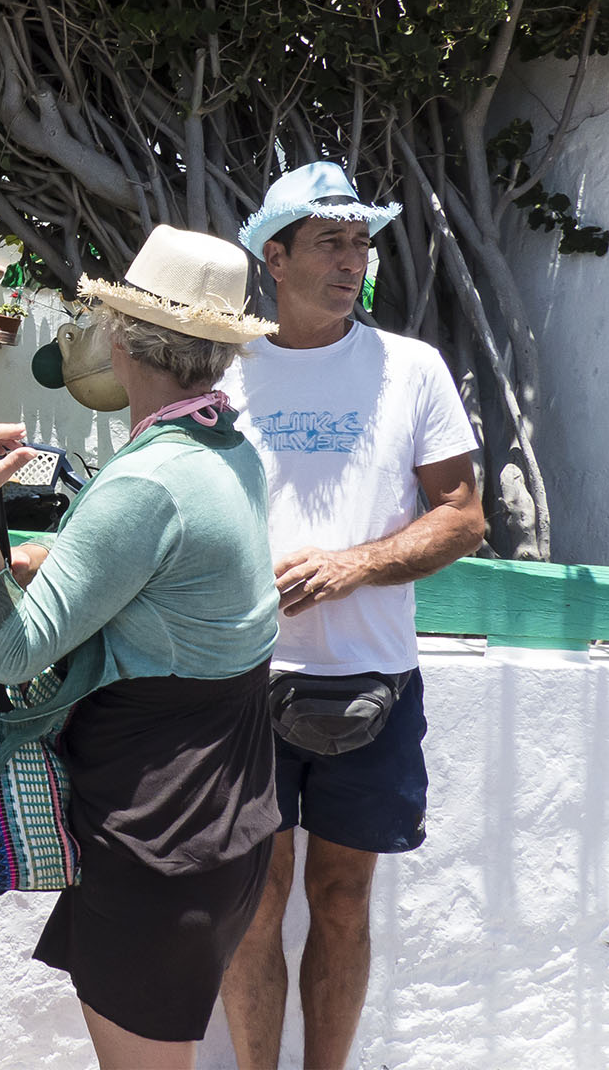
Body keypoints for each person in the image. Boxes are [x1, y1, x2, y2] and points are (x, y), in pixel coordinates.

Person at [0, 226, 283, 1070]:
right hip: (220, 818)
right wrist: (67, 558)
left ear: (126, 339)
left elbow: (14, 655)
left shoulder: (144, 479)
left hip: (155, 835)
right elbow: (174, 576)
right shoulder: (227, 451)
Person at [217, 161, 486, 1070]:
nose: (352, 259)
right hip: (239, 681)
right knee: (252, 900)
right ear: (275, 256)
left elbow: (463, 514)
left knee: (341, 898)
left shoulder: (411, 369)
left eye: (361, 241)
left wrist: (355, 565)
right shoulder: (221, 371)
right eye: (331, 241)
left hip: (370, 682)